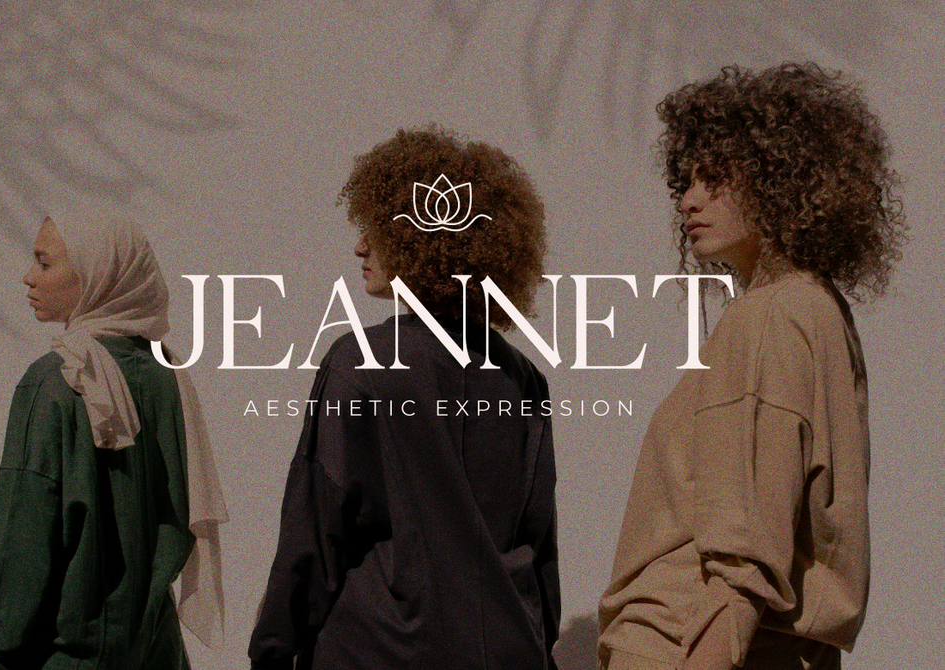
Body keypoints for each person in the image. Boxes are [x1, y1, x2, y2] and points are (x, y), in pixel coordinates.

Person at [597, 62, 906, 670]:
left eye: (715, 179)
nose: (689, 200)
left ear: (778, 180)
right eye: (686, 181)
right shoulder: (818, 311)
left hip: (686, 644)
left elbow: (744, 552)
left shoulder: (767, 318)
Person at [249, 127, 560, 669]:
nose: (360, 246)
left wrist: (272, 652)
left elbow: (314, 534)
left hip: (377, 651)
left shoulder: (360, 363)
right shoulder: (523, 379)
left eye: (378, 228)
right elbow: (539, 548)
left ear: (425, 239)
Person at [0, 207, 228, 669]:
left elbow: (26, 533)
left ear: (97, 274)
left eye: (45, 263)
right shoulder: (169, 377)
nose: (29, 277)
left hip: (68, 655)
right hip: (155, 653)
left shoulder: (55, 382)